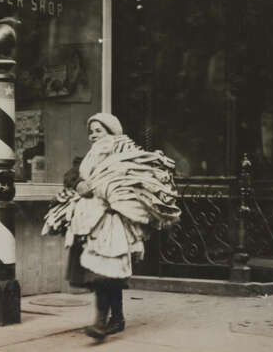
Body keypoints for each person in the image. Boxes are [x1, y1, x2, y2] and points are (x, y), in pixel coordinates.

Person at [42, 113, 181, 340]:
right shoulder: (89, 158)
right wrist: (79, 184)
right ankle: (116, 318)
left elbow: (138, 183)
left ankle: (100, 323)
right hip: (90, 222)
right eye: (92, 131)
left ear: (112, 132)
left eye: (99, 130)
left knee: (104, 271)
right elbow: (72, 175)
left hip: (113, 220)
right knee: (106, 272)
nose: (93, 135)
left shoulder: (127, 155)